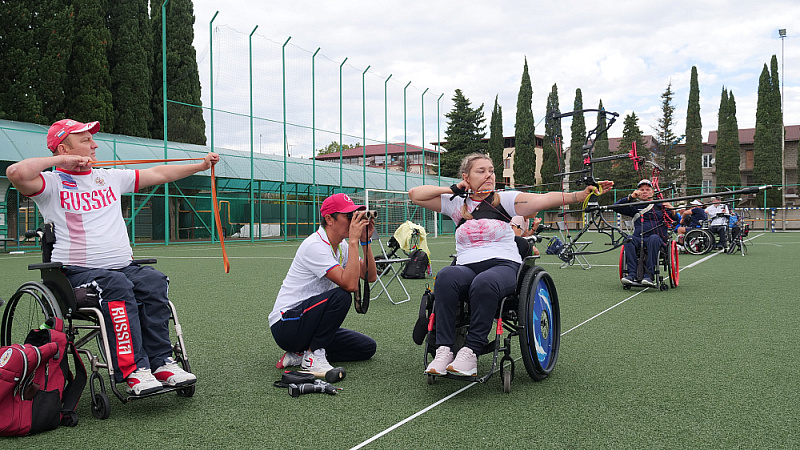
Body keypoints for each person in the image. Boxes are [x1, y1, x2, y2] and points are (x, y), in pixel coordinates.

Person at [6, 119, 217, 395]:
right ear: (63, 148)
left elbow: (159, 173)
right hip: (78, 273)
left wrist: (200, 165)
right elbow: (16, 172)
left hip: (123, 267)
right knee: (116, 286)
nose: (94, 145)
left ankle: (163, 362)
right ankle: (134, 370)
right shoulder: (51, 184)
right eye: (85, 140)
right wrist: (64, 161)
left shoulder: (109, 177)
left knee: (154, 282)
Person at [409, 153, 613, 376]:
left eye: (491, 170)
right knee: (446, 277)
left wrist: (579, 195)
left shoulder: (505, 200)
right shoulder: (456, 204)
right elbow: (415, 195)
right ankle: (444, 350)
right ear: (466, 177)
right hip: (466, 265)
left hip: (503, 266)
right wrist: (456, 188)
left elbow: (543, 200)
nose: (489, 175)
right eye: (481, 171)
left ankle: (470, 352)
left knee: (484, 282)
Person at [270, 193, 377, 376]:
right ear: (329, 219)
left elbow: (370, 276)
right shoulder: (315, 245)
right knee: (342, 296)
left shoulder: (341, 246)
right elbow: (350, 285)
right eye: (348, 216)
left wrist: (365, 241)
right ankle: (312, 356)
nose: (353, 221)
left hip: (310, 321)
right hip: (287, 324)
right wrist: (353, 241)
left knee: (366, 347)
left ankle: (300, 353)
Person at [613, 179, 678, 287]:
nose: (644, 192)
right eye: (641, 190)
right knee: (628, 239)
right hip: (638, 239)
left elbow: (675, 220)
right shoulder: (634, 207)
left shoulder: (661, 206)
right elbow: (615, 207)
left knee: (654, 238)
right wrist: (630, 197)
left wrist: (672, 209)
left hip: (657, 239)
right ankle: (632, 275)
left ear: (653, 192)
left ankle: (649, 276)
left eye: (648, 189)